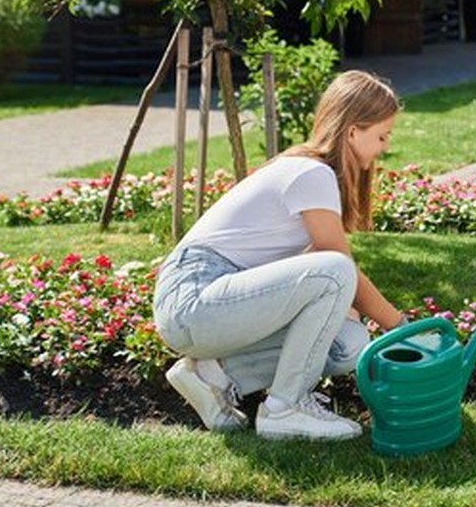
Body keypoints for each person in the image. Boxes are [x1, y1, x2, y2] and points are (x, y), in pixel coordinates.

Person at [152, 70, 405, 441]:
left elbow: (315, 282)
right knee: (336, 271)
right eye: (381, 136)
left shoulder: (315, 177)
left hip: (214, 306)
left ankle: (212, 376)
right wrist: (399, 327)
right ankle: (286, 408)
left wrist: (353, 314)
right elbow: (338, 267)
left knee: (348, 343)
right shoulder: (312, 174)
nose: (384, 147)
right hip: (193, 296)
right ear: (353, 131)